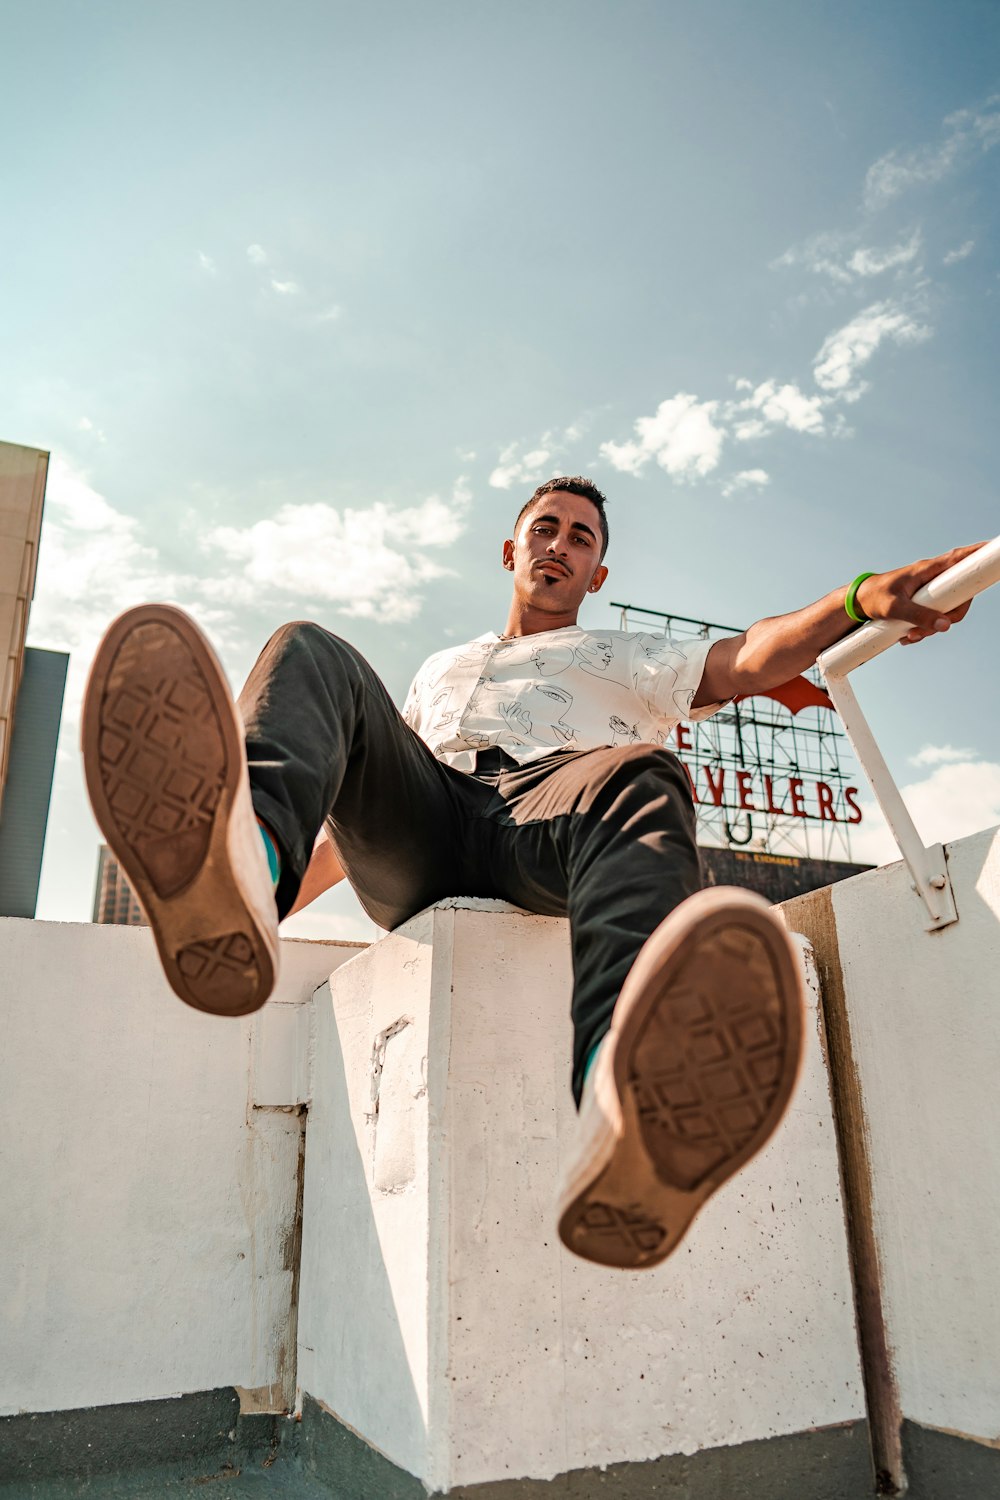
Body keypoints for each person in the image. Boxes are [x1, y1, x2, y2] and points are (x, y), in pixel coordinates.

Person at [81, 477, 977, 1270]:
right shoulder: (439, 671)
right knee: (309, 648)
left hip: (544, 820)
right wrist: (268, 908)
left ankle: (627, 1111)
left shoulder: (624, 656)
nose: (560, 546)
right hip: (426, 826)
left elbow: (748, 656)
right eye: (546, 529)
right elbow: (351, 805)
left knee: (643, 774)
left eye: (581, 538)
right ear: (514, 550)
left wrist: (860, 600)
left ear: (598, 577)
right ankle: (239, 871)